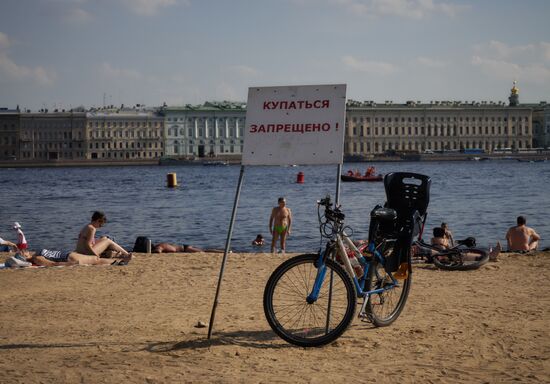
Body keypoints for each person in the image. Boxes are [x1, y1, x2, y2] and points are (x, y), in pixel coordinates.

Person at [17, 248, 131, 267]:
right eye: (22, 253)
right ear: (25, 258)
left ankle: (119, 262)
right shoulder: (37, 259)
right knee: (95, 260)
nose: (23, 251)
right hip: (69, 258)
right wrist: (70, 264)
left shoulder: (36, 254)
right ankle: (120, 261)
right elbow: (53, 264)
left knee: (96, 260)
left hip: (69, 255)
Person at [152, 242, 224, 253]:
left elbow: (158, 251)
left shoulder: (159, 246)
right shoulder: (160, 244)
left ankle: (223, 252)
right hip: (184, 248)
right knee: (204, 251)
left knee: (204, 251)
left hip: (185, 248)